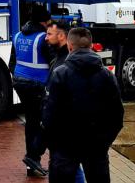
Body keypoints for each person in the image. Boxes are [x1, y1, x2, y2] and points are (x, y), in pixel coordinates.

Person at [42, 28, 124, 183]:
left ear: (69, 46)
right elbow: (117, 115)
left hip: (65, 147)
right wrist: (104, 141)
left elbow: (49, 114)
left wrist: (55, 144)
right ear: (91, 45)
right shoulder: (107, 76)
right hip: (96, 146)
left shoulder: (60, 73)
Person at [12, 6, 53, 176]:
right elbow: (53, 62)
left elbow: (11, 63)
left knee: (32, 121)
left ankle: (32, 163)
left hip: (19, 83)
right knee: (45, 122)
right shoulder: (43, 38)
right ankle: (33, 157)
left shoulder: (18, 35)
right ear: (44, 22)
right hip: (37, 84)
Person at [44, 21, 85, 183]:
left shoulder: (64, 65)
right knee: (74, 168)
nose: (46, 38)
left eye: (49, 34)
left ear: (61, 36)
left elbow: (56, 100)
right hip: (65, 131)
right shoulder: (58, 60)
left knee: (69, 168)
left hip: (63, 131)